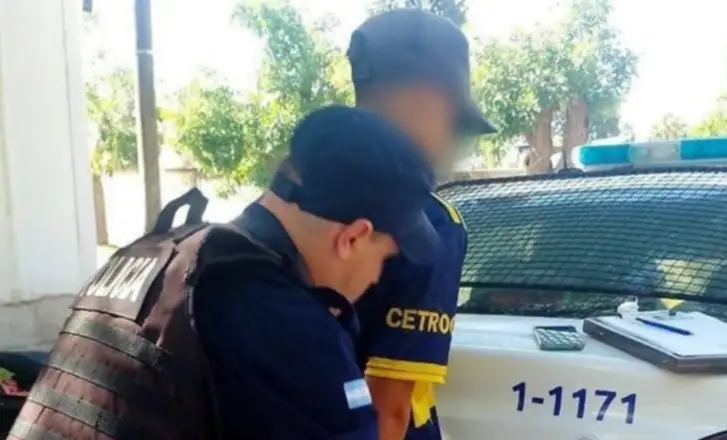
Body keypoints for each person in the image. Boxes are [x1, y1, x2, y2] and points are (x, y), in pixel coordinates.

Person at [8, 105, 439, 440]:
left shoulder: (155, 253)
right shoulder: (277, 316)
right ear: (354, 237)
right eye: (385, 258)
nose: (377, 278)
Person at [345, 9, 496, 440]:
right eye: (453, 121)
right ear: (420, 103)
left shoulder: (296, 201)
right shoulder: (431, 226)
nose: (452, 142)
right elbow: (389, 410)